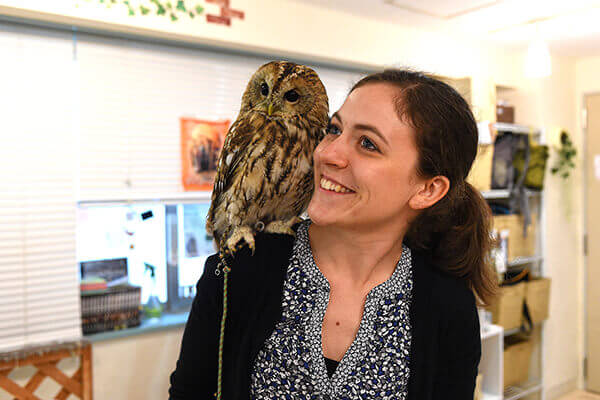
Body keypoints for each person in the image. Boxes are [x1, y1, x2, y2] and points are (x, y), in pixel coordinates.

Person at [168, 69, 498, 400]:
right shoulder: (238, 270)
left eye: (368, 144)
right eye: (333, 130)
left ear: (427, 189)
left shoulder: (447, 307)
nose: (327, 153)